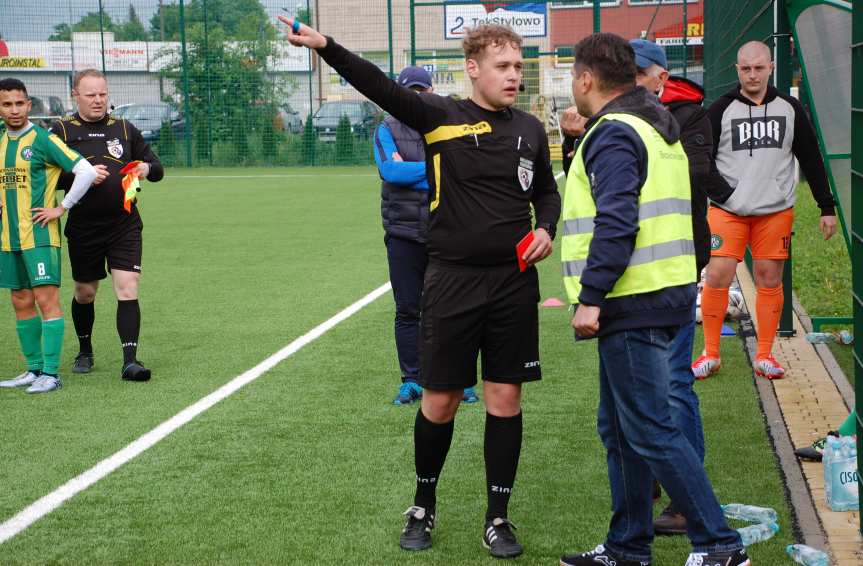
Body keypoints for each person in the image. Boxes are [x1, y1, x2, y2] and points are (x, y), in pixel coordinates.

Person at [280, 17, 561, 559]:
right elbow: (377, 84)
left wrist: (546, 227)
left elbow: (546, 192)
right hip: (452, 280)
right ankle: (423, 505)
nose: (512, 76)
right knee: (440, 400)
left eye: (518, 67)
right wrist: (327, 46)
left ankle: (498, 517)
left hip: (513, 283)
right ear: (473, 69)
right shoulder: (438, 115)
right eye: (502, 67)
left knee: (506, 398)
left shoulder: (528, 128)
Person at [559, 34, 748, 566]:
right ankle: (628, 545)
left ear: (586, 79)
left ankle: (719, 545)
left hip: (632, 300)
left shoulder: (616, 132)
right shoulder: (652, 123)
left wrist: (591, 296)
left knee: (649, 428)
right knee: (620, 426)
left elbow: (617, 217)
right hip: (661, 292)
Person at [629, 38, 736, 536]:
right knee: (630, 384)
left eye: (636, 72)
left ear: (658, 76)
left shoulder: (689, 115)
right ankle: (647, 475)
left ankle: (686, 499)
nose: (627, 81)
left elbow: (695, 172)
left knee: (673, 383)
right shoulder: (613, 116)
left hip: (672, 262)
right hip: (626, 268)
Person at [693, 40, 837, 380]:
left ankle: (765, 355)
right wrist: (726, 194)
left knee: (769, 279)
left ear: (771, 67)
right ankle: (710, 353)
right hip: (729, 210)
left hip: (774, 211)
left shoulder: (789, 108)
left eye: (759, 68)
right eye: (746, 68)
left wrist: (825, 206)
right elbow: (702, 160)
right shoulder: (720, 110)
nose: (753, 74)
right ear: (737, 70)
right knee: (717, 275)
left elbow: (811, 157)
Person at [373, 66, 478, 407]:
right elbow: (391, 171)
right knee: (408, 310)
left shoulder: (446, 128)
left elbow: (461, 170)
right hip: (403, 235)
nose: (417, 98)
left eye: (422, 91)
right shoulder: (386, 129)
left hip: (444, 231)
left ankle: (458, 380)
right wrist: (434, 170)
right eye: (410, 92)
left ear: (431, 92)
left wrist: (411, 171)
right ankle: (412, 381)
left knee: (452, 309)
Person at [51, 69, 164, 382]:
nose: (98, 100)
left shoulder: (125, 129)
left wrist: (145, 167)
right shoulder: (60, 130)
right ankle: (85, 351)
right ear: (76, 95)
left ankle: (130, 361)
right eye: (91, 95)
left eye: (102, 94)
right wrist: (79, 176)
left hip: (124, 224)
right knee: (85, 292)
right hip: (84, 227)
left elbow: (157, 169)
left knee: (128, 287)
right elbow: (48, 176)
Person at [0, 78, 97, 394]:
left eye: (19, 103)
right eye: (7, 104)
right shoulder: (1, 143)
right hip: (8, 238)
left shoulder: (42, 140)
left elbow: (86, 171)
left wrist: (62, 207)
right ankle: (33, 369)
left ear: (29, 105)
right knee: (20, 300)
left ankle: (51, 374)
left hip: (40, 236)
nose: (14, 110)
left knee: (45, 299)